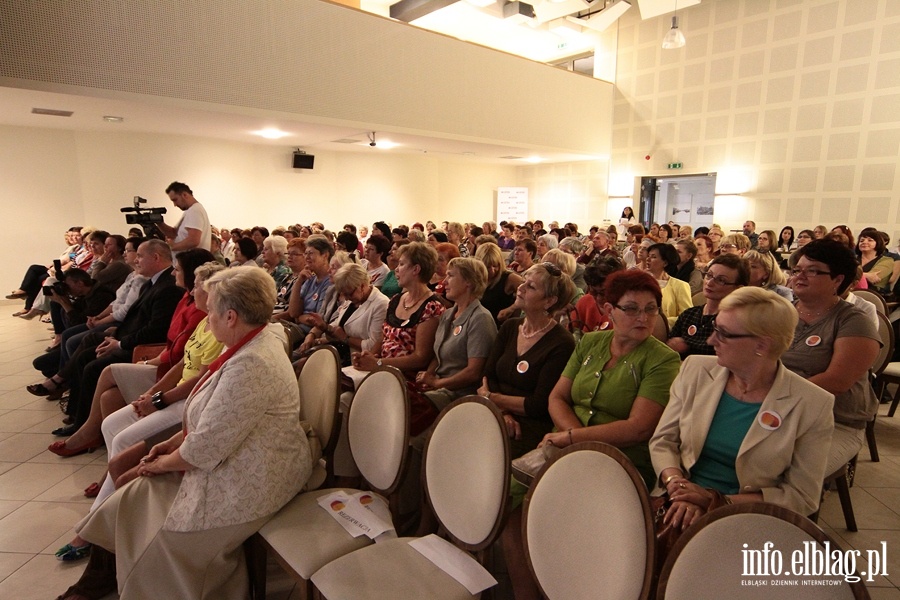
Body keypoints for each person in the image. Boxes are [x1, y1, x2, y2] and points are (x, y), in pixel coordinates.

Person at [56, 267, 311, 600]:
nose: (207, 316)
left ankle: (121, 582)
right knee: (130, 491)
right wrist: (170, 444)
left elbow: (205, 447)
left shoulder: (253, 362)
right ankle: (99, 581)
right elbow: (210, 418)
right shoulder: (252, 340)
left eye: (213, 310)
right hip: (235, 454)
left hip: (257, 474)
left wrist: (160, 462)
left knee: (157, 517)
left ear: (231, 316)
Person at [52, 262, 225, 561]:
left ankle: (93, 525)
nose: (191, 287)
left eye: (196, 284)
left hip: (188, 402)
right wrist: (150, 393)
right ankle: (107, 492)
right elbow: (181, 364)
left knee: (121, 441)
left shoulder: (219, 327)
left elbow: (201, 378)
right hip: (172, 392)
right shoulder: (204, 321)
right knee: (110, 425)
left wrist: (159, 400)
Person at [650, 287, 835, 531]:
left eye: (723, 334)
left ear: (762, 344)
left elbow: (801, 496)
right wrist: (677, 484)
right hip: (677, 500)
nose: (710, 340)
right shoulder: (695, 370)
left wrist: (713, 502)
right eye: (715, 328)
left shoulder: (811, 403)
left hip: (750, 518)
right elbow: (663, 440)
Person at [781, 239, 880, 476]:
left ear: (838, 280)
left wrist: (774, 395)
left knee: (787, 472)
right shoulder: (781, 313)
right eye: (797, 270)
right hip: (779, 410)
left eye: (813, 271)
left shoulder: (853, 320)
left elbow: (836, 382)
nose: (799, 276)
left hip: (835, 422)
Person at [479, 262, 578, 459]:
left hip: (529, 427)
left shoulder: (561, 343)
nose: (520, 288)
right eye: (524, 282)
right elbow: (487, 376)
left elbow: (539, 404)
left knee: (485, 457)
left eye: (530, 286)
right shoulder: (510, 327)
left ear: (549, 301)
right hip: (495, 414)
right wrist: (503, 411)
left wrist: (492, 397)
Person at [415, 257, 497, 412]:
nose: (444, 282)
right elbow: (438, 356)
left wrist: (437, 383)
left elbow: (473, 373)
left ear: (469, 282)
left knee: (411, 409)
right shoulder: (448, 314)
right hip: (440, 388)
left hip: (460, 395)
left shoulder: (480, 318)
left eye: (451, 276)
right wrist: (429, 375)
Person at [300, 263, 389, 364]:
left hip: (356, 359)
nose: (346, 298)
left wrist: (345, 338)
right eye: (344, 294)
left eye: (348, 294)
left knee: (302, 365)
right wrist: (323, 327)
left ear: (362, 286)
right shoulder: (353, 298)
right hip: (338, 351)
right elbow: (338, 324)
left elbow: (373, 345)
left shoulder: (380, 304)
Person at [667, 254, 749, 358]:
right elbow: (668, 349)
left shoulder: (734, 322)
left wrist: (688, 346)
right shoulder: (689, 314)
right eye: (709, 275)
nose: (709, 283)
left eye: (721, 280)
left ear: (738, 288)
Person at [570, 257, 625, 337]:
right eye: (594, 292)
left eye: (603, 293)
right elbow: (572, 334)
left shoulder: (627, 308)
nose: (598, 298)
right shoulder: (585, 302)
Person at [156, 181, 211, 252]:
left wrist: (171, 247)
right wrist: (159, 222)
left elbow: (193, 240)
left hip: (192, 261)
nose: (175, 204)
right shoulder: (190, 211)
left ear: (184, 195)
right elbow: (173, 234)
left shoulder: (195, 210)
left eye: (175, 200)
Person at [476, 242, 522, 324]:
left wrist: (511, 309)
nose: (492, 270)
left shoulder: (510, 278)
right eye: (487, 266)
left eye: (495, 265)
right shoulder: (475, 278)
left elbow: (530, 294)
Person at [646, 243, 692, 327]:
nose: (648, 259)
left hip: (668, 331)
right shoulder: (642, 283)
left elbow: (687, 316)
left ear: (665, 263)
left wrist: (661, 323)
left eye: (653, 257)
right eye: (648, 256)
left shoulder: (680, 285)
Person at [856, 226, 893, 292]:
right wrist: (867, 275)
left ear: (878, 243)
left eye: (870, 240)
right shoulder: (852, 259)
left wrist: (850, 275)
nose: (864, 242)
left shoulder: (887, 261)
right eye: (861, 240)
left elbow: (874, 278)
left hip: (873, 295)